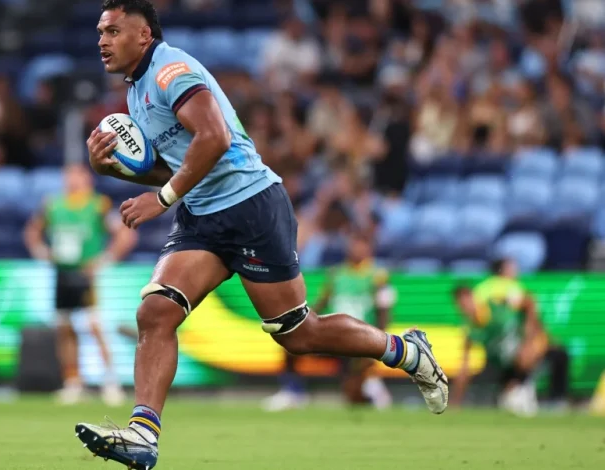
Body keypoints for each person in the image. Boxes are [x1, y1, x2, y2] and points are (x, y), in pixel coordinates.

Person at [75, 1, 448, 468]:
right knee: (156, 311)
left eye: (112, 31)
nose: (102, 41)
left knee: (299, 334)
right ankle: (142, 436)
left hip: (250, 207)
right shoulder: (136, 91)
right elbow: (178, 167)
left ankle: (407, 351)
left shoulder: (170, 71)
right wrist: (112, 168)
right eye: (100, 32)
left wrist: (163, 199)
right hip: (203, 217)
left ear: (144, 35)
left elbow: (215, 139)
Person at [24, 163, 137, 406]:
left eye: (77, 176)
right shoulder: (53, 204)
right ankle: (73, 382)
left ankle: (110, 382)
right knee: (64, 328)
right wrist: (41, 251)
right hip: (62, 272)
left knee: (93, 326)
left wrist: (105, 260)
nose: (72, 181)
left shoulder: (98, 205)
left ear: (87, 179)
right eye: (69, 176)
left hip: (85, 275)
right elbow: (33, 230)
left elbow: (124, 234)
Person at [262, 231, 395, 412]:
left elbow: (384, 315)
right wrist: (298, 323)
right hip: (334, 337)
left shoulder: (378, 277)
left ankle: (371, 385)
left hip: (360, 342)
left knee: (354, 399)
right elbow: (321, 304)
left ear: (369, 249)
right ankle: (293, 392)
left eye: (361, 245)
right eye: (354, 244)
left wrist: (377, 347)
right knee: (290, 346)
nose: (357, 249)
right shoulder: (336, 274)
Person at [451, 261, 570, 416]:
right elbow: (464, 368)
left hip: (523, 353)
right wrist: (454, 403)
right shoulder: (471, 330)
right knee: (504, 400)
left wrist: (528, 340)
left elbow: (529, 302)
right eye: (461, 304)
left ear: (473, 297)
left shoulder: (496, 306)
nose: (466, 306)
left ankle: (553, 400)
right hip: (503, 365)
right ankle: (516, 391)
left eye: (467, 300)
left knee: (557, 354)